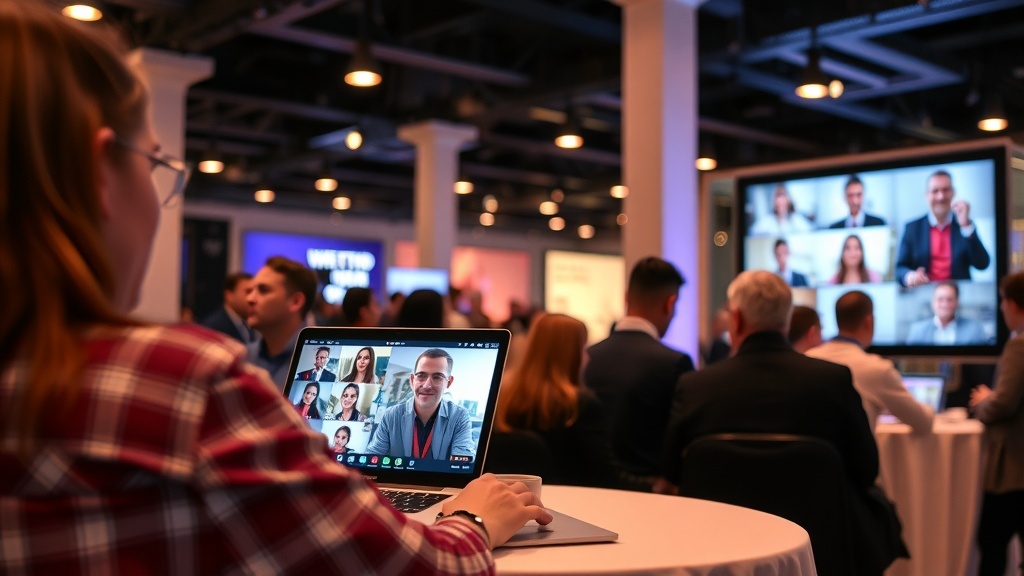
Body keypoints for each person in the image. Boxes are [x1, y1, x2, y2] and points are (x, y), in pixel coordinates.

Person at [0, 5, 549, 572]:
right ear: (99, 172)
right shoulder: (184, 385)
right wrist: (475, 517)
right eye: (154, 164)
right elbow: (422, 569)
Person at [663, 271, 906, 576]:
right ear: (787, 321)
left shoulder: (696, 386)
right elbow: (866, 469)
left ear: (735, 320)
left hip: (717, 553)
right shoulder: (833, 380)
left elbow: (671, 472)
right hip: (819, 553)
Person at [497, 314, 652, 491]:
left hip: (522, 499)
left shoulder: (508, 400)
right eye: (583, 348)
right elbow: (607, 477)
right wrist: (654, 486)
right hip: (576, 504)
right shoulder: (580, 405)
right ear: (570, 353)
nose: (588, 357)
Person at [584, 257, 695, 476]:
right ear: (670, 303)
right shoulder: (675, 363)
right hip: (650, 497)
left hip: (584, 492)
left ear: (626, 297)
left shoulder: (588, 356)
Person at [808, 291, 934, 432]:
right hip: (855, 453)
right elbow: (923, 422)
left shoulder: (806, 359)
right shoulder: (877, 368)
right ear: (869, 322)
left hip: (810, 453)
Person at [969, 272, 1024, 576]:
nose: (1001, 308)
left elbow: (1003, 404)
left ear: (1013, 303)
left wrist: (983, 402)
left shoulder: (1019, 345)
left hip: (1013, 470)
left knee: (991, 545)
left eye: (1002, 300)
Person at [365, 349, 474, 459]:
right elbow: (372, 458)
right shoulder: (391, 415)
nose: (427, 385)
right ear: (412, 380)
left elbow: (463, 460)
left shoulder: (459, 417)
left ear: (448, 383)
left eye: (437, 377)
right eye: (421, 376)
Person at [896, 170, 990, 287]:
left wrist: (966, 226)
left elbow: (982, 264)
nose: (941, 197)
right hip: (922, 296)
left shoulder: (963, 225)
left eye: (945, 190)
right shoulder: (912, 228)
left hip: (957, 297)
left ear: (953, 193)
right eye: (935, 191)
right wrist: (909, 275)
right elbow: (899, 269)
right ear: (927, 195)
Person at [247, 255, 317, 391]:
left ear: (295, 302)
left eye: (263, 290)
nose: (250, 298)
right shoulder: (243, 358)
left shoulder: (314, 360)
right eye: (250, 290)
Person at [906, 282, 988, 345]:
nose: (945, 305)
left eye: (949, 299)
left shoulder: (975, 329)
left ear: (957, 302)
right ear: (933, 302)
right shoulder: (917, 330)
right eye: (940, 299)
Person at [199, 272, 254, 344]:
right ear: (229, 295)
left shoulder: (248, 323)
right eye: (248, 292)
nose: (252, 298)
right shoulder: (213, 328)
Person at [749, 184, 814, 236]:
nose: (779, 202)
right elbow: (753, 232)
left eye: (783, 196)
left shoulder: (797, 220)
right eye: (777, 197)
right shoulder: (766, 222)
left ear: (788, 200)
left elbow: (809, 231)